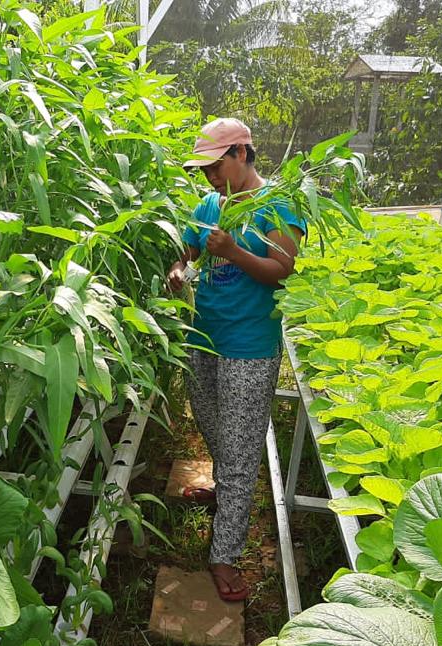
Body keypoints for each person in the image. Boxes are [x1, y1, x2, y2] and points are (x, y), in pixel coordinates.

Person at [167, 118, 304, 602]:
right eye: (202, 168)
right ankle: (226, 491)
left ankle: (224, 555)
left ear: (242, 153)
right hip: (203, 336)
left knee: (243, 448)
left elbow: (281, 270)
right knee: (211, 422)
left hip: (249, 341)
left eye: (215, 165)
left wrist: (234, 253)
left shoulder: (277, 206)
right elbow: (187, 251)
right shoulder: (210, 204)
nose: (208, 176)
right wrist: (180, 269)